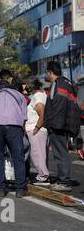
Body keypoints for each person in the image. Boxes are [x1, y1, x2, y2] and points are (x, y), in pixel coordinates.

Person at [0, 70, 28, 198]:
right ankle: (20, 189)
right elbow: (24, 114)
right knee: (18, 157)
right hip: (14, 125)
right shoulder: (18, 94)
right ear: (10, 80)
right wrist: (22, 128)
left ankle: (0, 188)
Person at [44, 61, 81, 192]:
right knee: (63, 152)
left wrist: (50, 124)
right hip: (66, 123)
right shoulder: (68, 83)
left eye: (47, 72)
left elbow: (56, 106)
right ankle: (63, 179)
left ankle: (63, 182)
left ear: (50, 72)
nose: (46, 75)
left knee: (60, 153)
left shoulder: (57, 84)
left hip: (57, 124)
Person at [24, 76, 49, 186]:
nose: (26, 88)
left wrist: (36, 128)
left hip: (36, 130)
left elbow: (42, 114)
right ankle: (43, 175)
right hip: (39, 130)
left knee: (37, 154)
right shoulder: (42, 94)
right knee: (41, 154)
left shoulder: (37, 97)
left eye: (27, 86)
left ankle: (43, 177)